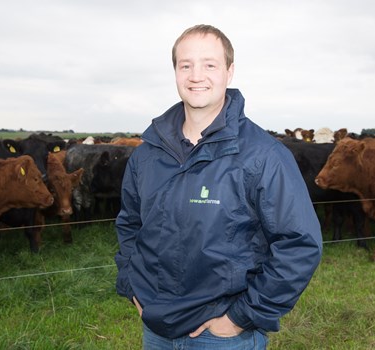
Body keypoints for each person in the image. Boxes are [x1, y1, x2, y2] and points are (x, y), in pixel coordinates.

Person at [115, 24, 322, 349]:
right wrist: (133, 285)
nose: (196, 75)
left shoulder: (264, 156)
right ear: (175, 72)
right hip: (156, 331)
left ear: (229, 71)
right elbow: (129, 225)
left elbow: (300, 245)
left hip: (223, 336)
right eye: (186, 65)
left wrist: (242, 316)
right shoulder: (146, 155)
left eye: (209, 64)